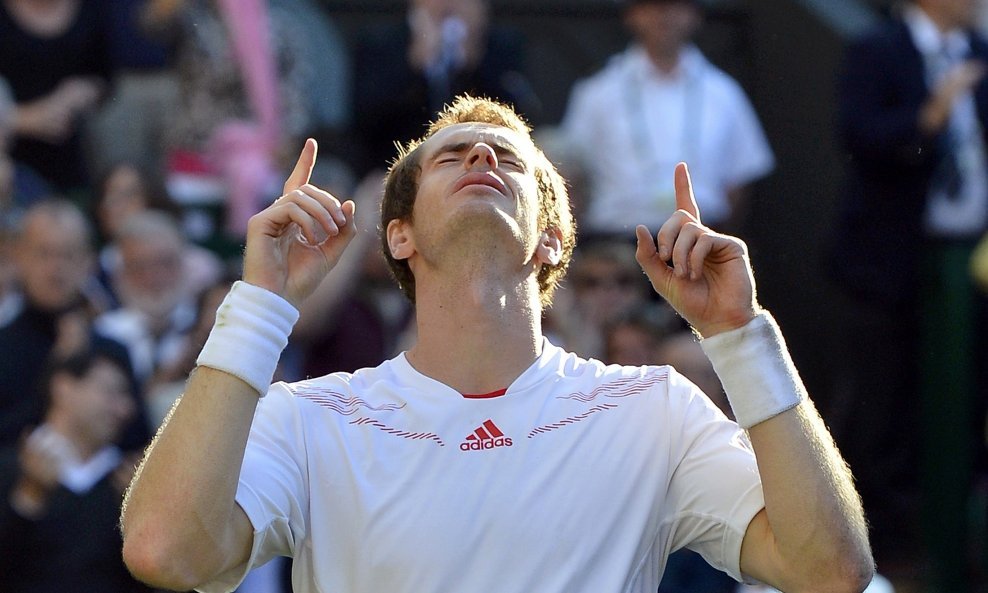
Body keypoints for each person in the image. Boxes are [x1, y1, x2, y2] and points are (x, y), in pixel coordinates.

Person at [119, 95, 873, 592]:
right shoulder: (309, 417)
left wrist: (741, 336)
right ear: (398, 236)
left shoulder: (656, 408)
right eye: (452, 155)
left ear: (550, 240)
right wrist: (258, 305)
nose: (482, 158)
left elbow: (831, 570)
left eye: (508, 160)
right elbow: (162, 549)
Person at [832, 0, 988, 586]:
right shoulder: (877, 49)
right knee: (885, 411)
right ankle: (890, 554)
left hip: (972, 267)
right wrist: (928, 119)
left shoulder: (979, 53)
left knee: (965, 406)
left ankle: (959, 543)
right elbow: (858, 136)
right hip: (890, 269)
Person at [561, 0, 774, 236]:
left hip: (700, 244)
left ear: (696, 15)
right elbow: (572, 173)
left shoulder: (724, 93)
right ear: (632, 14)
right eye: (652, 4)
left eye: (677, 4)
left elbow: (740, 179)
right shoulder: (596, 91)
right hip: (615, 246)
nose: (664, 14)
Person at [0, 200, 148, 450]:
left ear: (88, 263)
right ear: (19, 257)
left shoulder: (113, 351)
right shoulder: (4, 348)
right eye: (43, 253)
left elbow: (139, 443)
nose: (55, 268)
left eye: (68, 255)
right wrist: (58, 369)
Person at [0, 349, 151, 593]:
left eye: (128, 399)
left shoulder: (126, 482)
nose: (124, 409)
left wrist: (140, 517)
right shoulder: (10, 468)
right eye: (111, 392)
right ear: (63, 387)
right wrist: (28, 499)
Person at [352, 0, 537, 176]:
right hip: (393, 167)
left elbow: (519, 117)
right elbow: (365, 120)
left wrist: (472, 62)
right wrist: (415, 68)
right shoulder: (380, 43)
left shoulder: (501, 45)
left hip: (479, 165)